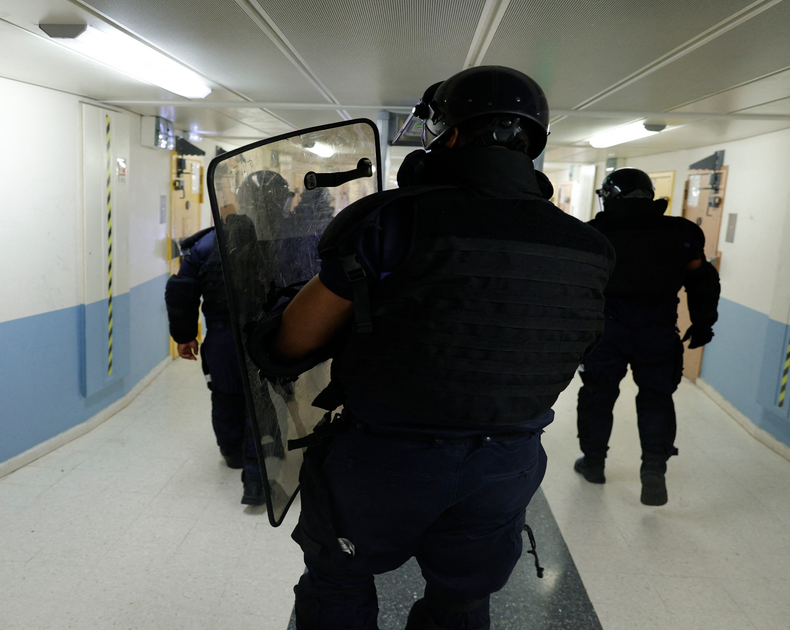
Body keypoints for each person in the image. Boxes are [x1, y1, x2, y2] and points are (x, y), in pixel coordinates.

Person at [262, 67, 615, 630]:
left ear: (449, 135)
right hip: (506, 464)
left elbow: (290, 342)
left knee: (339, 584)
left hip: (385, 460)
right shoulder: (589, 247)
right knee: (462, 603)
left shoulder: (390, 221)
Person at [573, 167, 721, 506]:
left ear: (609, 198)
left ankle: (593, 463)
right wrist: (703, 323)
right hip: (657, 332)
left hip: (606, 333)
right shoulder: (682, 232)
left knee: (597, 396)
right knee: (657, 399)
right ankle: (654, 469)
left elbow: (577, 289)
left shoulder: (593, 234)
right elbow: (702, 281)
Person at [164, 223, 264, 506]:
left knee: (225, 393)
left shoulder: (206, 243)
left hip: (222, 337)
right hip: (268, 335)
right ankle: (257, 479)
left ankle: (232, 452)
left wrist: (185, 336)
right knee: (263, 402)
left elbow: (181, 291)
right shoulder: (279, 233)